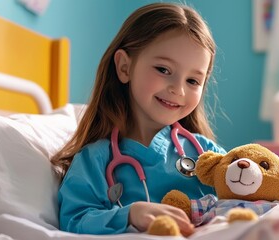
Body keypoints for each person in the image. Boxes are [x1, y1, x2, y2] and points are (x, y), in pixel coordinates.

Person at [50, 2, 226, 237]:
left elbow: (249, 194)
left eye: (192, 81)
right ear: (125, 67)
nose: (178, 90)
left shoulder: (206, 154)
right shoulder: (96, 160)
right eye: (163, 69)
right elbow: (75, 219)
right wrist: (131, 214)